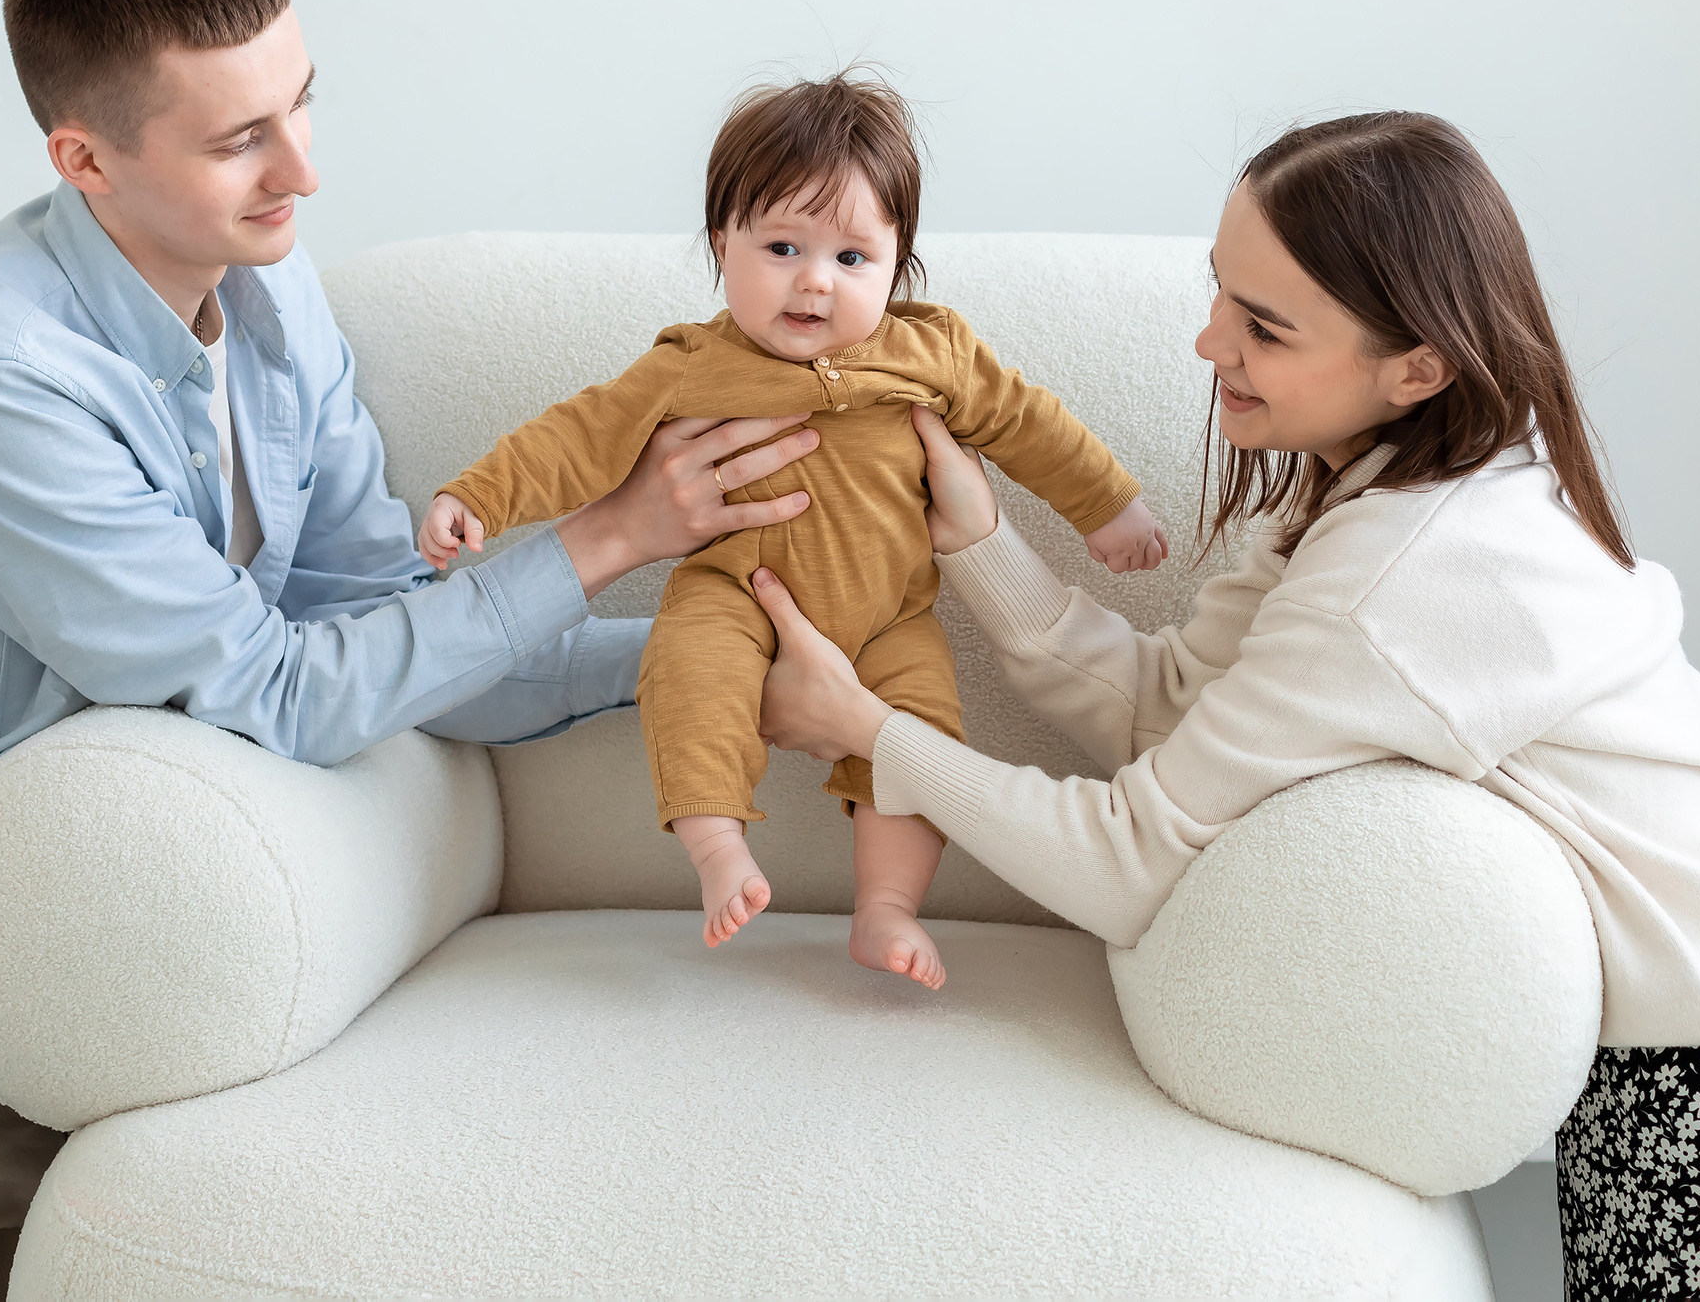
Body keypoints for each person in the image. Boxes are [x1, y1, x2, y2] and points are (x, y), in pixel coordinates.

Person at [0, 0, 822, 1302]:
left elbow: (391, 632)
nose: (302, 171)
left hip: (104, 999)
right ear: (83, 156)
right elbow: (279, 690)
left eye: (301, 107)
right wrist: (608, 532)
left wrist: (704, 660)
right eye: (237, 140)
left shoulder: (274, 303)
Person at [751, 111, 1700, 1300]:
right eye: (1220, 290)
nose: (1210, 341)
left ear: (1418, 365)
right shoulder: (1359, 493)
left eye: (1265, 324)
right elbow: (1168, 717)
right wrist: (978, 540)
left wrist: (871, 733)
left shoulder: (1411, 573)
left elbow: (1132, 859)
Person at [422, 73, 1167, 989]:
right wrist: (481, 496)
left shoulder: (929, 352)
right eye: (782, 246)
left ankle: (885, 907)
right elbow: (578, 436)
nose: (815, 280)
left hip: (893, 615)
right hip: (733, 595)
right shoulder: (689, 366)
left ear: (900, 262)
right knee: (686, 670)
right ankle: (718, 850)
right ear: (720, 245)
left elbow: (1028, 422)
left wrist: (1109, 505)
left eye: (852, 257)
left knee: (922, 737)